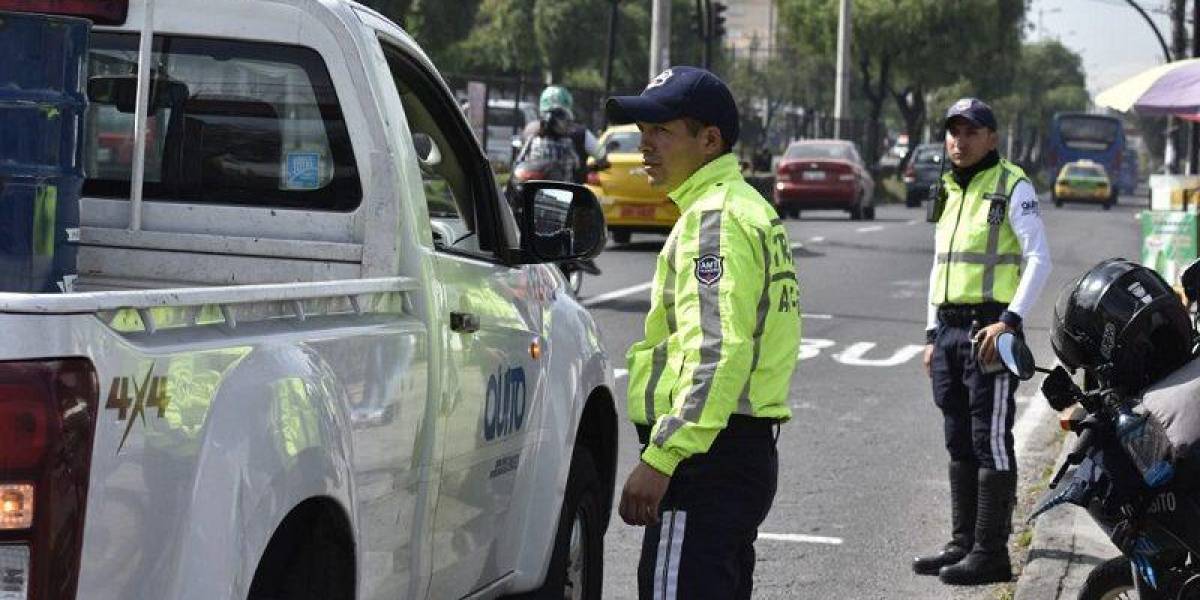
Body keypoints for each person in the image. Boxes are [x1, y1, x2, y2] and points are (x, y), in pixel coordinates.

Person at [608, 66, 801, 600]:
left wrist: (663, 457)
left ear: (709, 139)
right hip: (737, 450)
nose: (644, 145)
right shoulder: (747, 208)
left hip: (704, 461)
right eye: (642, 130)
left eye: (661, 131)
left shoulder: (714, 219)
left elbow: (716, 350)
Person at [914, 98, 1053, 585]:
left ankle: (991, 552)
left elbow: (1039, 258)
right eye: (953, 131)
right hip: (949, 331)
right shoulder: (948, 188)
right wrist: (932, 334)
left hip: (989, 331)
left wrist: (1010, 321)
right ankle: (962, 543)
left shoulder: (1012, 185)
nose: (959, 140)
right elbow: (942, 265)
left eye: (971, 131)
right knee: (957, 439)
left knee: (988, 439)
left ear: (992, 138)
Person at [518, 85, 599, 184]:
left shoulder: (530, 131)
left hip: (532, 190)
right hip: (564, 191)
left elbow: (519, 161)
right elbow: (579, 164)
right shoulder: (574, 138)